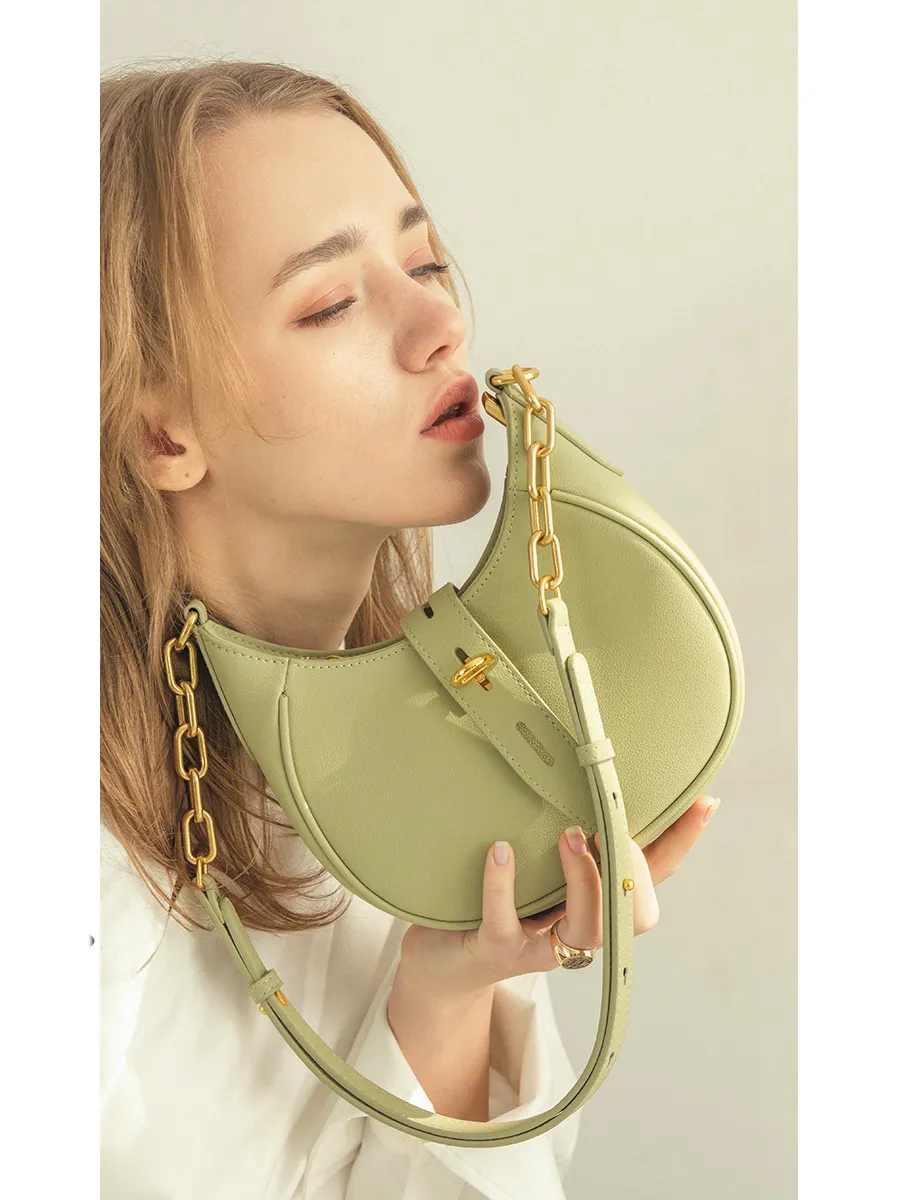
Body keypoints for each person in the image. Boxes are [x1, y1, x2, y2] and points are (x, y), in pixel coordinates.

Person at [100, 58, 721, 1198]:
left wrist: (453, 988)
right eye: (329, 304)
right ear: (160, 435)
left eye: (426, 262)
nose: (442, 323)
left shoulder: (435, 777)